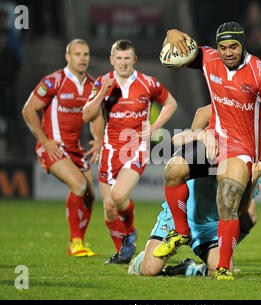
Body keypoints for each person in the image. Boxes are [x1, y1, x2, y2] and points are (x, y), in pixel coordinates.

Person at [128, 69, 261, 277]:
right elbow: (179, 138)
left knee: (234, 241)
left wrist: (254, 181)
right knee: (148, 270)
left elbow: (242, 208)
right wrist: (201, 135)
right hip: (183, 214)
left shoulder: (253, 162)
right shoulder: (239, 111)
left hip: (210, 223)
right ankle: (146, 256)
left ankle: (191, 267)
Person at [153, 22, 261, 280]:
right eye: (223, 47)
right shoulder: (209, 58)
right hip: (215, 139)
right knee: (173, 170)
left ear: (242, 45)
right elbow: (182, 50)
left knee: (228, 202)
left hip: (243, 149)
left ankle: (224, 267)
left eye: (233, 47)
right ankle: (181, 232)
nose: (228, 52)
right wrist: (170, 32)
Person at [82, 39, 178, 265]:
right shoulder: (103, 83)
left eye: (127, 58)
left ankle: (130, 232)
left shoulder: (148, 83)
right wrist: (101, 93)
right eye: (119, 58)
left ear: (134, 60)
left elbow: (171, 104)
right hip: (109, 147)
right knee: (108, 209)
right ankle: (124, 251)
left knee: (117, 196)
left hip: (135, 148)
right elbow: (87, 115)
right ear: (112, 60)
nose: (123, 63)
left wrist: (154, 128)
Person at [22, 39, 102, 257]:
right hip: (54, 147)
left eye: (85, 54)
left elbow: (96, 116)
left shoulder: (92, 85)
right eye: (77, 54)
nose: (82, 58)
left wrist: (97, 138)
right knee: (78, 185)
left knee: (90, 195)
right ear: (68, 57)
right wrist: (45, 141)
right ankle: (75, 242)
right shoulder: (54, 81)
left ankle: (78, 243)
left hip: (76, 149)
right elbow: (28, 110)